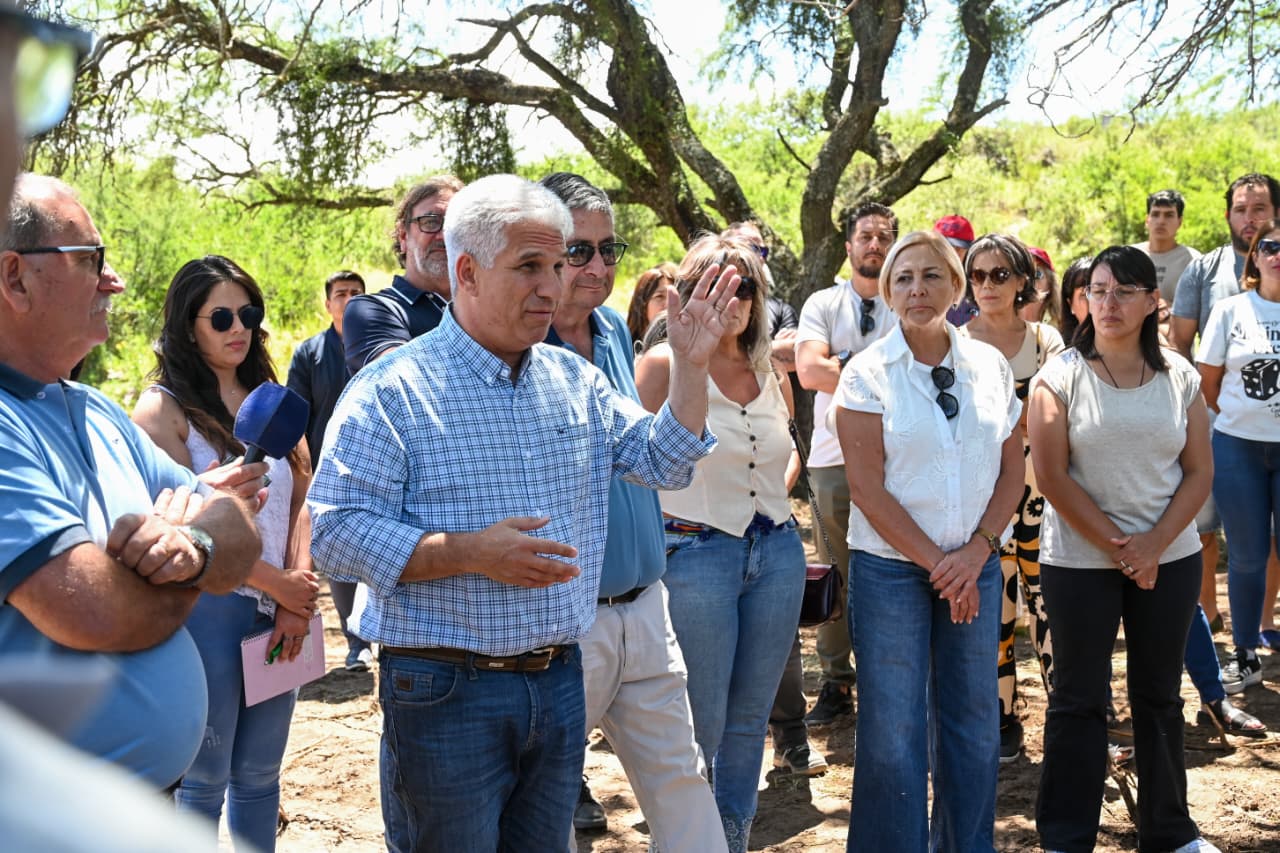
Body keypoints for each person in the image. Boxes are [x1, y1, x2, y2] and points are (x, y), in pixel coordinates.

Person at [307, 174, 730, 851]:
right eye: (529, 265)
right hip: (445, 692)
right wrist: (467, 553)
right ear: (467, 272)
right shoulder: (393, 390)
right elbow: (334, 533)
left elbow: (663, 461)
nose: (552, 286)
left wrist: (691, 366)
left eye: (558, 265)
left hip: (558, 679)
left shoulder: (575, 381)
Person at [0, 174, 263, 789]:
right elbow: (95, 612)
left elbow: (238, 527)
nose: (112, 280)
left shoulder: (95, 409)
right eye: (91, 259)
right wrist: (193, 566)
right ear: (15, 278)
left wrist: (191, 544)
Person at [539, 172, 727, 852]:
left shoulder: (615, 328)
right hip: (566, 620)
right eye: (578, 250)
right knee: (544, 803)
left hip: (646, 605)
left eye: (607, 249)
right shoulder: (517, 350)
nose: (597, 266)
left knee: (683, 780)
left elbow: (655, 452)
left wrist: (691, 366)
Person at [832, 228, 1023, 852]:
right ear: (888, 291)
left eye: (932, 275)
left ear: (957, 285)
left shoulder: (990, 367)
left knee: (974, 726)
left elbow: (1012, 471)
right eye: (904, 278)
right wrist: (943, 565)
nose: (918, 289)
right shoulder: (866, 374)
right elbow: (866, 488)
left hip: (976, 565)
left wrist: (976, 554)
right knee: (893, 733)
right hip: (891, 570)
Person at [1029, 245, 1218, 853]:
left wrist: (1154, 545)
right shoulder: (1059, 375)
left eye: (1124, 291)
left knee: (1159, 695)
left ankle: (1170, 833)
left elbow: (1199, 472)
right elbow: (1052, 476)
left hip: (1170, 557)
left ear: (1152, 302)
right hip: (1079, 562)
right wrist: (1123, 550)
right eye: (1098, 290)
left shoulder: (1180, 376)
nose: (1108, 303)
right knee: (1079, 699)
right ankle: (1066, 837)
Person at [132, 255, 316, 851]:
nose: (239, 327)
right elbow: (173, 526)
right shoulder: (161, 410)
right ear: (188, 327)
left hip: (281, 612)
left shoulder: (274, 400)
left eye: (249, 314)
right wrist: (276, 585)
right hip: (205, 612)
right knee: (203, 780)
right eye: (221, 317)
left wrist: (297, 592)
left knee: (262, 776)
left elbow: (303, 501)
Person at [636, 233, 805, 852]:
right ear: (686, 293)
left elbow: (789, 448)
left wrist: (771, 493)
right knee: (699, 722)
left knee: (750, 719)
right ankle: (686, 842)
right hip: (696, 555)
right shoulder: (663, 365)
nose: (731, 300)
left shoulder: (767, 369)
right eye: (713, 285)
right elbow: (636, 465)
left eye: (744, 287)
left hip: (777, 553)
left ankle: (732, 840)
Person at [958, 234, 1065, 764]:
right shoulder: (956, 343)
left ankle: (1068, 713)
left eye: (1000, 274)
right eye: (977, 275)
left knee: (1051, 606)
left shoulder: (1047, 340)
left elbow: (1059, 414)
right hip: (986, 500)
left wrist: (1015, 416)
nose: (987, 285)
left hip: (1048, 497)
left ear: (1024, 280)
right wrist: (1023, 413)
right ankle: (1001, 718)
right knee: (995, 612)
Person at [792, 202, 898, 728]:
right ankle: (836, 682)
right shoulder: (823, 303)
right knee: (836, 570)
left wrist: (846, 364)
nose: (874, 245)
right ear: (848, 246)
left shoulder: (907, 299)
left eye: (884, 236)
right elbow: (810, 371)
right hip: (832, 459)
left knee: (894, 569)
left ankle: (889, 680)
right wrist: (882, 373)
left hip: (900, 461)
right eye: (865, 236)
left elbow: (920, 370)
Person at [1170, 173, 1280, 635]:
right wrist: (1202, 408)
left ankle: (1264, 622)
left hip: (1264, 428)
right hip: (1213, 426)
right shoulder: (1203, 270)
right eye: (1240, 210)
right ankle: (1208, 619)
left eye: (1259, 209)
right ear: (1227, 214)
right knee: (1203, 530)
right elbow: (1179, 342)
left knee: (1267, 539)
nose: (1249, 219)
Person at [1197, 220, 1280, 693]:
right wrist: (1248, 417)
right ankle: (1246, 655)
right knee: (1247, 555)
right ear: (1255, 257)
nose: (1277, 254)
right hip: (1238, 447)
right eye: (1269, 246)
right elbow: (1208, 383)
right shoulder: (1231, 310)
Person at [286, 269, 372, 671]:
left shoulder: (381, 347)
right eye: (341, 293)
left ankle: (385, 634)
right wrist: (300, 473)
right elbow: (296, 415)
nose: (349, 299)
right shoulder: (310, 353)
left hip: (377, 466)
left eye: (357, 292)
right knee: (339, 556)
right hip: (326, 469)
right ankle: (356, 642)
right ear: (328, 303)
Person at [342, 175, 463, 374]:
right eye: (430, 222)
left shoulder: (485, 307)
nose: (443, 235)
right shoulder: (373, 310)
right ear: (403, 236)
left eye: (455, 225)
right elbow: (402, 378)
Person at [1133, 189, 1202, 307]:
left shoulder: (1193, 261)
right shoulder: (1130, 256)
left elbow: (1201, 306)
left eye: (1169, 215)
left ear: (1180, 221)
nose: (1161, 221)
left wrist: (1171, 308)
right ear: (1147, 220)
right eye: (1155, 214)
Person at [936, 214, 977, 325]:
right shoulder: (917, 283)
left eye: (958, 248)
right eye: (944, 247)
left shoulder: (980, 282)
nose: (951, 253)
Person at [626, 262, 677, 345]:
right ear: (642, 305)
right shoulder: (624, 346)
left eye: (672, 296)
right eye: (660, 296)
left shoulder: (683, 347)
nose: (668, 304)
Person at [1022, 246, 1061, 328]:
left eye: (1037, 274)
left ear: (1050, 284)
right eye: (1023, 273)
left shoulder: (1062, 323)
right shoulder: (1002, 321)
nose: (1029, 280)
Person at [1058, 257, 1092, 345]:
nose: (1093, 299)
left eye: (1099, 291)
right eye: (1084, 294)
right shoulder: (1059, 347)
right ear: (1070, 304)